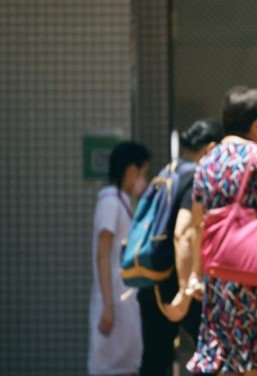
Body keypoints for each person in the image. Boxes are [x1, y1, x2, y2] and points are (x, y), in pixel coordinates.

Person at [187, 87, 257, 376]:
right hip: (256, 275)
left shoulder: (206, 163)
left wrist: (196, 273)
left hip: (219, 275)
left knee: (225, 355)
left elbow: (198, 223)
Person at [137, 119, 222, 376]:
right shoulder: (195, 176)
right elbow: (183, 233)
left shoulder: (166, 172)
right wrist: (186, 290)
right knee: (212, 357)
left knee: (154, 361)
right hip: (178, 284)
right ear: (210, 148)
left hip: (152, 279)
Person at [88, 141, 150, 376]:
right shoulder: (110, 203)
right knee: (111, 366)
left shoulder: (122, 202)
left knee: (125, 364)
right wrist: (108, 304)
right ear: (131, 170)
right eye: (143, 173)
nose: (143, 180)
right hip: (113, 297)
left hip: (122, 297)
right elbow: (102, 253)